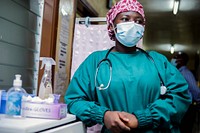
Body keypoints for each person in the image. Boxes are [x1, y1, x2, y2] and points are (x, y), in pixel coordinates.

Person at [65, 0, 191, 132]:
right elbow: (74, 100)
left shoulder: (158, 61)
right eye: (125, 19)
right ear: (112, 25)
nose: (133, 25)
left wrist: (143, 118)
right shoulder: (96, 61)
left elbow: (180, 95)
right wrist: (103, 115)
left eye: (138, 21)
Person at [171, 52, 200, 133]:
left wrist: (198, 100)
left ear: (180, 61)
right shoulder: (178, 72)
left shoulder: (186, 73)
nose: (174, 59)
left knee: (185, 129)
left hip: (188, 108)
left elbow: (195, 90)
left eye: (176, 57)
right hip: (181, 106)